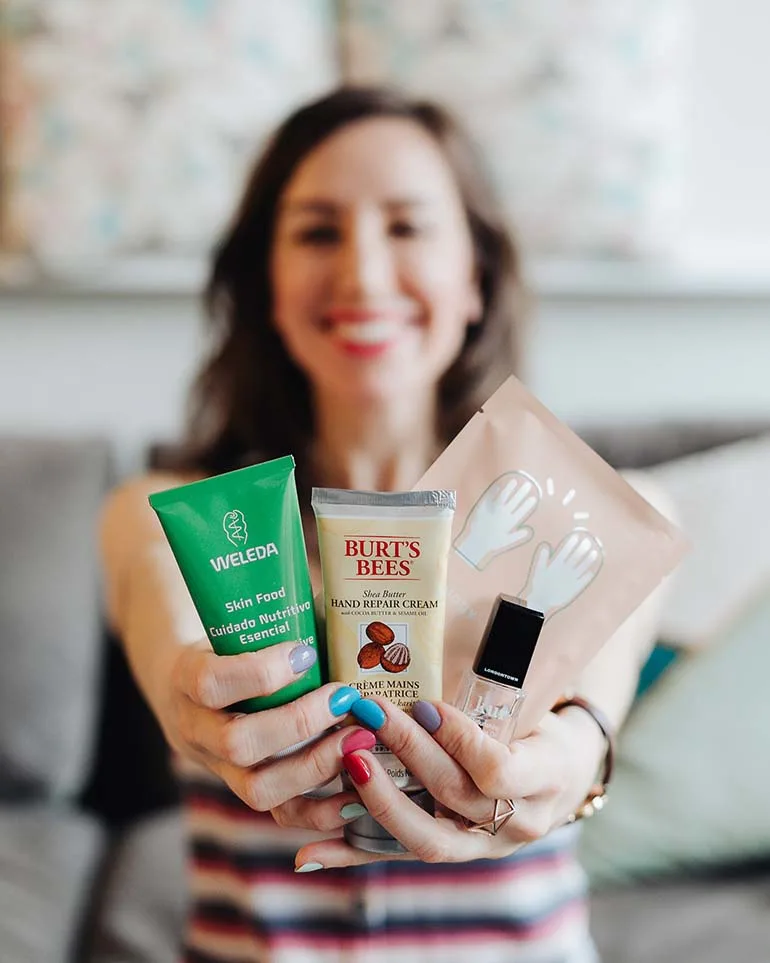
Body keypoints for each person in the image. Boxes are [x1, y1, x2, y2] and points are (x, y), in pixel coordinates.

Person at [100, 86, 670, 963]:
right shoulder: (179, 520)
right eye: (318, 231)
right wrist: (198, 705)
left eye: (407, 227)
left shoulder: (599, 523)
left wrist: (572, 759)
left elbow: (594, 703)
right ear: (265, 286)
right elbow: (169, 641)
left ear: (475, 278)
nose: (363, 274)